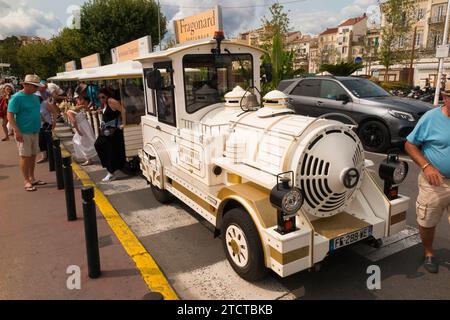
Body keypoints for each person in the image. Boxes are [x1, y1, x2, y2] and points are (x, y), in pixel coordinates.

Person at [405, 91, 450, 274]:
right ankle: (429, 252)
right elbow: (410, 144)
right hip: (435, 182)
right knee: (427, 221)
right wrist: (426, 166)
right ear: (447, 98)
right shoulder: (431, 118)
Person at [7, 75, 47, 192]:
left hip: (35, 130)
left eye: (37, 86)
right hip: (23, 131)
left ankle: (32, 178)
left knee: (33, 155)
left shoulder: (35, 97)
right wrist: (16, 130)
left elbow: (37, 112)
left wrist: (45, 122)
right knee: (25, 156)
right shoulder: (17, 97)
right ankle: (27, 181)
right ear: (26, 85)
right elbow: (10, 115)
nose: (36, 88)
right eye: (35, 86)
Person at [94, 88, 126, 182]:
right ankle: (110, 171)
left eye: (103, 97)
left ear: (107, 96)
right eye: (99, 97)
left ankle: (111, 173)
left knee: (108, 150)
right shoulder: (105, 104)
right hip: (106, 131)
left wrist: (123, 123)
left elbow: (123, 110)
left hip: (113, 131)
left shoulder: (111, 101)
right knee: (100, 146)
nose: (101, 99)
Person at [67, 96, 97, 166]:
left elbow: (74, 122)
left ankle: (88, 158)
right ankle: (88, 158)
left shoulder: (69, 111)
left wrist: (77, 130)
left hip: (81, 127)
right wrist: (90, 111)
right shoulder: (77, 108)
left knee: (80, 142)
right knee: (87, 140)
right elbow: (85, 107)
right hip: (86, 124)